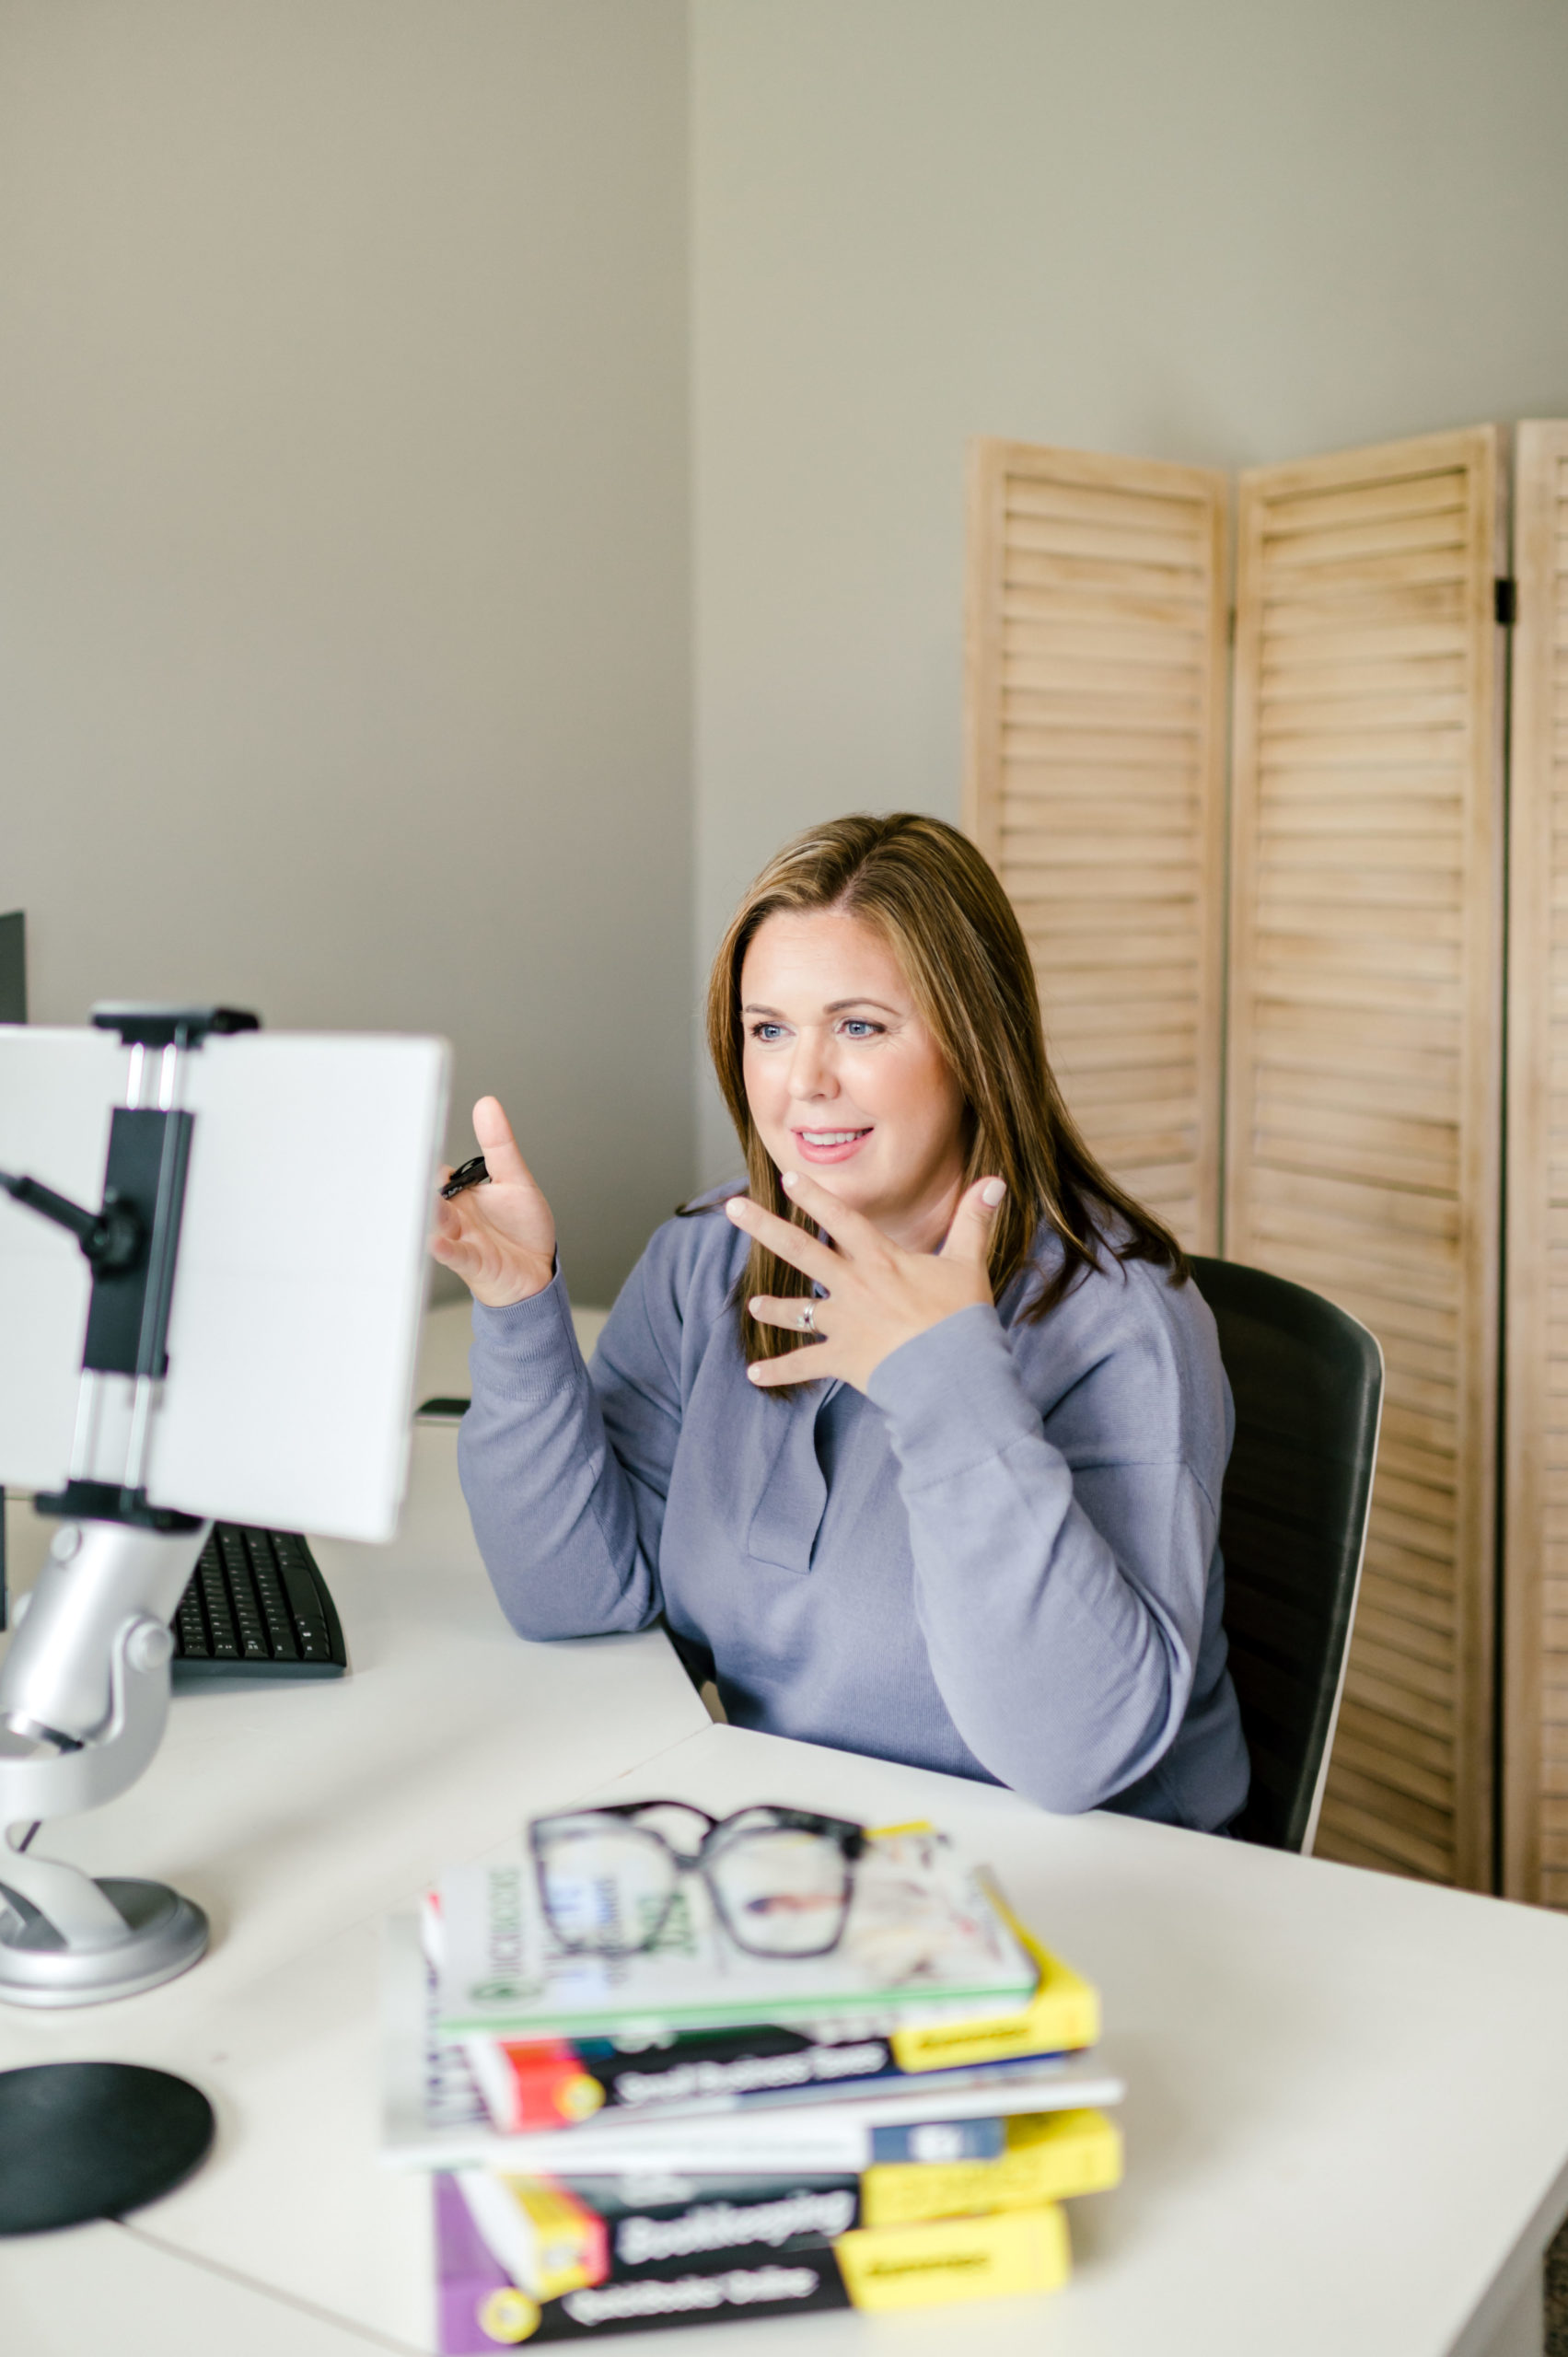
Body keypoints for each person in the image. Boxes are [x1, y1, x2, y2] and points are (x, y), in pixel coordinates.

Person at [433, 813, 1249, 1831]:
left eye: (859, 1026)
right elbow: (572, 1595)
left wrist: (942, 1380)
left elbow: (1070, 1755)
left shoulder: (1115, 1321)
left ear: (973, 1043)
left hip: (1088, 1895)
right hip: (806, 1862)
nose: (800, 1080)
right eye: (767, 1028)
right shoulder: (707, 1254)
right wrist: (518, 1310)